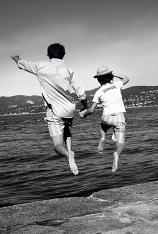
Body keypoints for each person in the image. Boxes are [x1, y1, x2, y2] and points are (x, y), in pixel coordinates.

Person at [11, 43, 87, 175]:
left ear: (48, 54)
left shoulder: (41, 66)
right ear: (63, 54)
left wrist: (16, 57)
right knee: (67, 130)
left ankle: (68, 155)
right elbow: (81, 93)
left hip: (54, 110)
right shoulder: (69, 69)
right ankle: (69, 153)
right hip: (69, 109)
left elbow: (23, 64)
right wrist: (85, 106)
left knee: (57, 146)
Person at [79, 65, 129, 172]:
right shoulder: (116, 85)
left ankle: (102, 138)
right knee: (120, 144)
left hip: (106, 117)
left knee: (103, 126)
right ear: (110, 77)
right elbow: (126, 78)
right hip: (119, 117)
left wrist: (84, 114)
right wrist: (113, 74)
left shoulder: (99, 91)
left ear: (98, 80)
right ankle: (117, 154)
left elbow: (91, 110)